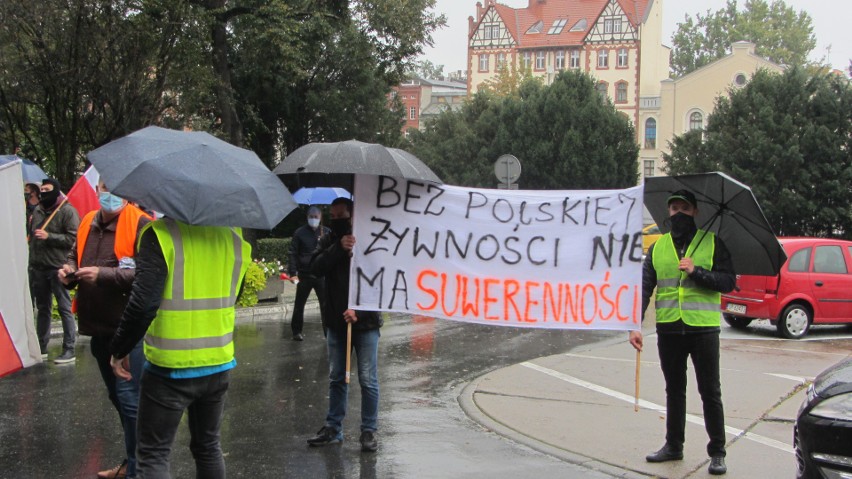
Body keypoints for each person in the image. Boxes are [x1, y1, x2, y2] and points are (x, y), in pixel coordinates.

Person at [109, 217, 250, 478]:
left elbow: (143, 304)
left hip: (170, 368)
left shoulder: (161, 234)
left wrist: (120, 349)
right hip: (218, 360)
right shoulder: (234, 236)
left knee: (153, 453)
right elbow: (234, 293)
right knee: (208, 447)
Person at [629, 189, 735, 476]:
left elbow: (728, 282)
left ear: (695, 212)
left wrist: (697, 271)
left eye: (684, 208)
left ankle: (717, 452)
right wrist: (635, 325)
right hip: (669, 330)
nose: (678, 214)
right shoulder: (658, 247)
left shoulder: (712, 243)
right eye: (674, 208)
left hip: (703, 330)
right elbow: (645, 287)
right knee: (674, 391)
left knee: (710, 392)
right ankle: (673, 446)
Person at [59, 181, 150, 479]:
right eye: (104, 186)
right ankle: (130, 462)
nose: (109, 193)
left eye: (116, 187)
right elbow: (75, 253)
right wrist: (68, 270)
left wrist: (104, 275)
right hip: (96, 327)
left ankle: (138, 470)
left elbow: (147, 274)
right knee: (119, 401)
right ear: (97, 189)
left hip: (127, 331)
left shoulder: (141, 223)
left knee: (129, 401)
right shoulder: (87, 220)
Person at [306, 197, 382, 452]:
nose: (338, 220)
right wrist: (338, 247)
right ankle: (333, 428)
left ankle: (369, 431)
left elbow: (381, 280)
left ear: (353, 215)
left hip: (366, 323)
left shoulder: (370, 238)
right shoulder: (328, 239)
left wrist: (358, 309)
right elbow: (315, 267)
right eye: (334, 216)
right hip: (336, 323)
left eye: (343, 216)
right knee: (337, 377)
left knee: (368, 379)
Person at [28, 178, 79, 363]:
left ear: (56, 191)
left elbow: (74, 239)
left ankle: (69, 349)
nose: (43, 193)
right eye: (41, 190)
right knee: (43, 308)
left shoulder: (67, 211)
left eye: (47, 190)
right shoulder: (38, 210)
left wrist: (49, 236)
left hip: (58, 267)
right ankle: (41, 346)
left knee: (65, 308)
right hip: (39, 267)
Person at [287, 206, 329, 341]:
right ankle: (296, 331)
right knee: (299, 304)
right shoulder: (300, 233)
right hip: (304, 274)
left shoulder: (326, 232)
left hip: (321, 275)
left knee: (325, 305)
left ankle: (328, 332)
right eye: (311, 217)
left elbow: (332, 252)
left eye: (316, 217)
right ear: (307, 217)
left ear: (321, 218)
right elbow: (293, 253)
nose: (313, 219)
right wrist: (292, 272)